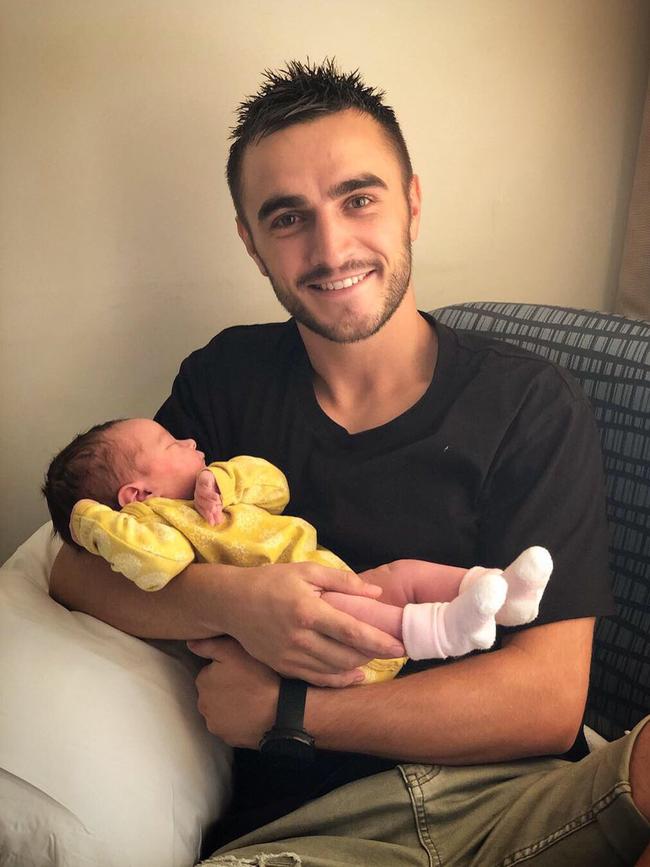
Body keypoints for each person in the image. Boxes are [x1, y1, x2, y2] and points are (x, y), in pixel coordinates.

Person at [49, 60, 649, 865]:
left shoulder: (530, 402)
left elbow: (547, 699)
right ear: (251, 243)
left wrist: (288, 708)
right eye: (288, 217)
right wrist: (236, 600)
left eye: (358, 199)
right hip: (314, 835)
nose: (331, 249)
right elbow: (77, 569)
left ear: (412, 203)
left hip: (521, 797)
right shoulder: (225, 381)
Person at [43, 416, 553, 679]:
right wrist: (95, 521)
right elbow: (157, 565)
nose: (191, 444)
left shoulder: (215, 483)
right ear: (137, 496)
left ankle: (498, 591)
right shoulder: (157, 526)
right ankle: (446, 630)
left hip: (329, 570)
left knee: (401, 574)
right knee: (353, 611)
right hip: (308, 613)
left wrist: (222, 480)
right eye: (173, 445)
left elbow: (274, 485)